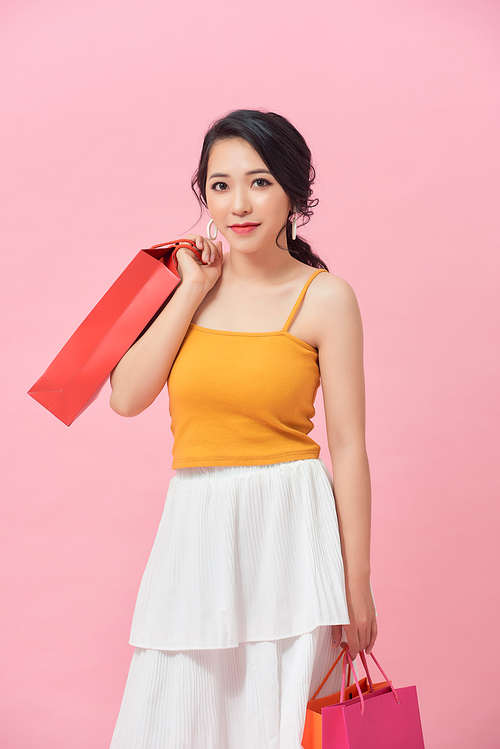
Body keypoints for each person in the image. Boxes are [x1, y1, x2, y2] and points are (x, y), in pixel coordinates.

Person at [108, 109, 377, 748]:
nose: (239, 204)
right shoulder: (185, 281)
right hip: (196, 524)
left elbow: (349, 448)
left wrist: (357, 583)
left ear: (292, 192)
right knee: (177, 714)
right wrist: (190, 291)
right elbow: (125, 397)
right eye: (220, 185)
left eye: (258, 182)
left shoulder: (326, 297)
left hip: (290, 525)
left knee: (279, 721)